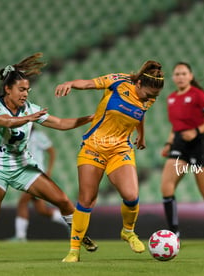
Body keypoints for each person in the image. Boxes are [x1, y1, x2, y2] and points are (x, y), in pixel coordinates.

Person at [0, 53, 96, 263]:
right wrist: (27, 118)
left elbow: (62, 123)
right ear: (8, 89)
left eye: (27, 89)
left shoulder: (31, 109)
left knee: (63, 201)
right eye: (21, 89)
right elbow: (7, 122)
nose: (26, 94)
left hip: (23, 168)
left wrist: (90, 118)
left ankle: (79, 236)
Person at [55, 60, 164, 262]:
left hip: (120, 148)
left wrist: (141, 135)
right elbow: (88, 84)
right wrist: (70, 83)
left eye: (154, 97)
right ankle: (74, 250)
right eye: (149, 94)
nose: (150, 99)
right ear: (139, 83)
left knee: (131, 195)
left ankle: (128, 232)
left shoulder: (149, 97)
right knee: (86, 199)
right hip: (93, 147)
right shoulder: (118, 81)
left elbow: (140, 113)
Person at [160, 62, 204, 248]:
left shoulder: (199, 96)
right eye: (177, 73)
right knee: (166, 187)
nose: (180, 76)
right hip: (180, 146)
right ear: (173, 78)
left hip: (198, 147)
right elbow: (176, 127)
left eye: (184, 73)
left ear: (190, 76)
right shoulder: (171, 99)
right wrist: (168, 143)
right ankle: (174, 235)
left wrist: (196, 132)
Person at [12, 129, 69, 241]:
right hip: (27, 174)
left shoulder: (38, 135)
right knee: (42, 210)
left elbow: (51, 151)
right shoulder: (20, 136)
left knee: (22, 202)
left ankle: (20, 236)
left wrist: (49, 170)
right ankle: (69, 221)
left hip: (36, 173)